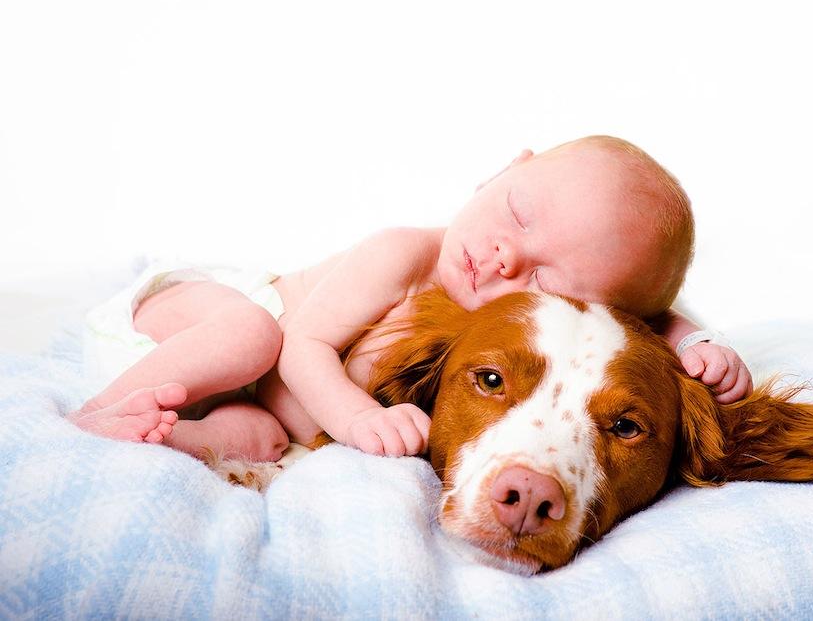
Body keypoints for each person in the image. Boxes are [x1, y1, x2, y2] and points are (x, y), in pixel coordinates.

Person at [69, 135, 753, 461]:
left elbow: (635, 314)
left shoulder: (550, 317)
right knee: (252, 333)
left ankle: (153, 430)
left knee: (258, 441)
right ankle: (94, 416)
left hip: (243, 399)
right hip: (201, 320)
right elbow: (301, 346)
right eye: (517, 213)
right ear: (503, 170)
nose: (505, 255)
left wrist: (694, 342)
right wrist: (361, 419)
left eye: (544, 280)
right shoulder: (404, 253)